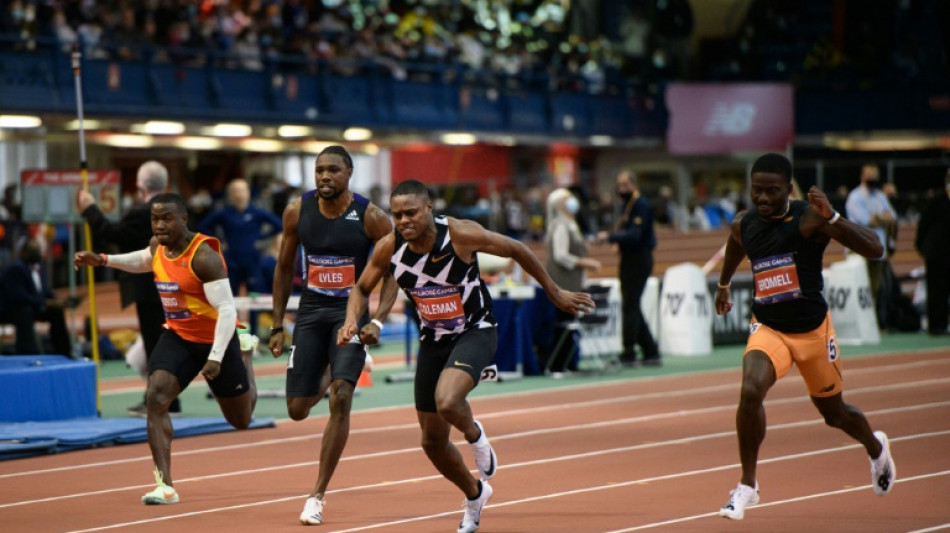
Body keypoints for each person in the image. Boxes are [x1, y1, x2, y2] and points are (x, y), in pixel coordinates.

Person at [337, 179, 595, 533]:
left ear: (429, 208)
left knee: (446, 401)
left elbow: (517, 248)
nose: (403, 221)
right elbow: (362, 287)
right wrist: (354, 319)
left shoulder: (460, 235)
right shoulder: (390, 246)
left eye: (411, 212)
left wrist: (554, 292)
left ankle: (475, 435)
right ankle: (475, 494)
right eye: (397, 214)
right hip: (434, 340)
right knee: (431, 442)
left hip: (476, 330)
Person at [714, 153, 896, 521]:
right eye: (756, 191)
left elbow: (876, 248)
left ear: (789, 189)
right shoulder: (744, 223)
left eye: (772, 191)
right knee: (750, 390)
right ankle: (748, 484)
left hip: (813, 332)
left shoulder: (810, 217)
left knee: (835, 414)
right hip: (769, 328)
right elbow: (736, 244)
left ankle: (877, 449)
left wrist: (834, 218)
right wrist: (723, 283)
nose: (763, 198)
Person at [74, 193, 257, 505]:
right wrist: (104, 259)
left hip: (216, 338)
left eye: (166, 218)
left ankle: (246, 354)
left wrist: (215, 357)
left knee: (240, 420)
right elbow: (144, 260)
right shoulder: (158, 245)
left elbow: (227, 310)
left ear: (184, 218)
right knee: (156, 397)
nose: (159, 224)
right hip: (178, 336)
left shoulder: (204, 256)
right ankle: (165, 485)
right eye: (155, 219)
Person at [268, 145, 399, 526]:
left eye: (333, 171)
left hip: (351, 315)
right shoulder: (297, 210)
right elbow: (282, 267)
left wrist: (379, 320)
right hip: (310, 312)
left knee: (341, 397)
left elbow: (394, 274)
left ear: (349, 174)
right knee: (297, 410)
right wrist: (278, 325)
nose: (325, 176)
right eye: (319, 170)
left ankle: (317, 495)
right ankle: (337, 365)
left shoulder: (371, 217)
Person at [77, 160, 176, 416]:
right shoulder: (178, 208)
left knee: (156, 344)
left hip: (150, 288)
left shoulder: (141, 212)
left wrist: (89, 209)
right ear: (165, 184)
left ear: (140, 186)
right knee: (164, 343)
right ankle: (166, 398)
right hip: (176, 286)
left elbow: (111, 233)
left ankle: (160, 400)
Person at [197, 177, 282, 330]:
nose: (240, 195)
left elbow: (279, 224)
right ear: (231, 195)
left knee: (254, 300)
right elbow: (203, 226)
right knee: (230, 300)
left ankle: (254, 335)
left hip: (252, 262)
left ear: (248, 193)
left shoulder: (256, 213)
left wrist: (262, 239)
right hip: (232, 262)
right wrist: (219, 242)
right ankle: (232, 334)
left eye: (243, 191)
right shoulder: (225, 213)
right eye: (236, 191)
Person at [597, 171, 660, 367]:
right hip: (630, 258)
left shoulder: (640, 205)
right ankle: (650, 350)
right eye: (619, 185)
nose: (621, 189)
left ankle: (629, 352)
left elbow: (635, 235)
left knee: (630, 306)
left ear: (634, 185)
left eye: (625, 185)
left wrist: (610, 237)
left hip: (638, 258)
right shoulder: (628, 205)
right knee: (631, 305)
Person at [543, 188, 601, 375]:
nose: (572, 201)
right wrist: (585, 262)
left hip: (574, 282)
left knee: (571, 323)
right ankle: (558, 365)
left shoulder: (571, 224)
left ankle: (570, 362)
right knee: (564, 324)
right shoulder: (560, 225)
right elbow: (561, 256)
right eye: (568, 198)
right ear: (559, 204)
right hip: (563, 282)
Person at [845, 163, 897, 329]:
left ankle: (871, 324)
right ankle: (857, 325)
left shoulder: (879, 195)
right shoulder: (855, 197)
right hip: (859, 249)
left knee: (875, 288)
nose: (873, 180)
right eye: (870, 176)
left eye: (876, 176)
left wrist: (879, 218)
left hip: (878, 249)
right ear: (863, 176)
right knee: (860, 288)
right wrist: (882, 218)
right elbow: (867, 220)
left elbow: (892, 217)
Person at [0, 238, 72, 356]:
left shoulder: (39, 267)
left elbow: (44, 290)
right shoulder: (15, 269)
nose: (36, 253)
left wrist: (56, 301)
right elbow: (19, 296)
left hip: (34, 306)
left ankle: (63, 352)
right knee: (24, 311)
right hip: (12, 310)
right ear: (24, 252)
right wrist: (44, 302)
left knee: (57, 311)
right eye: (32, 250)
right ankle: (28, 353)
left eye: (37, 250)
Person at [914, 168, 950, 335]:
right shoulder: (937, 199)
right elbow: (924, 223)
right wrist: (920, 246)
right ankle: (936, 325)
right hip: (937, 252)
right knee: (936, 290)